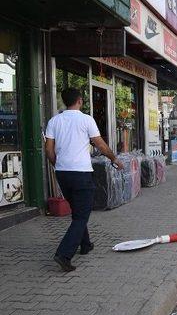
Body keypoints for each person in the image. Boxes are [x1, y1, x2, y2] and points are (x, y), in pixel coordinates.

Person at [45, 88, 124, 272]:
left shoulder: (54, 121)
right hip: (81, 173)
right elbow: (101, 145)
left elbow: (49, 150)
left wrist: (58, 165)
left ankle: (86, 244)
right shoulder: (86, 119)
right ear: (79, 101)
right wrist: (114, 159)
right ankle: (64, 254)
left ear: (65, 102)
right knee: (82, 214)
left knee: (78, 210)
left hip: (62, 173)